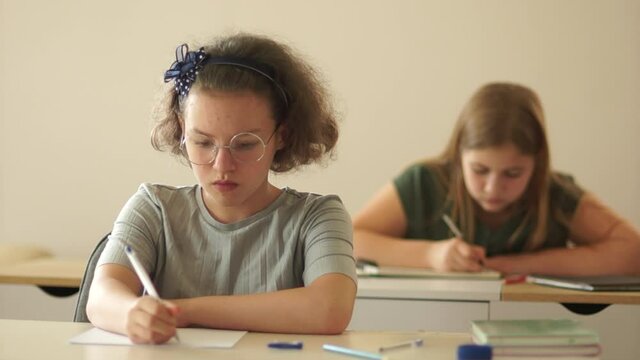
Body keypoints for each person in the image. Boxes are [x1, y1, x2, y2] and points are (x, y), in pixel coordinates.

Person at [86, 33, 357, 344]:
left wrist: (181, 311)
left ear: (281, 135)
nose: (222, 165)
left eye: (244, 144)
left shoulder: (318, 217)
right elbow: (101, 299)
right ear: (181, 129)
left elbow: (329, 309)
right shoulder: (154, 208)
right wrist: (132, 312)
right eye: (202, 143)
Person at [353, 82, 640, 276]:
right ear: (458, 155)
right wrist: (430, 256)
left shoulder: (555, 193)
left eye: (513, 174)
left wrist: (516, 265)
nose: (493, 188)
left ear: (537, 164)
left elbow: (632, 251)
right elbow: (349, 240)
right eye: (479, 170)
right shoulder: (424, 183)